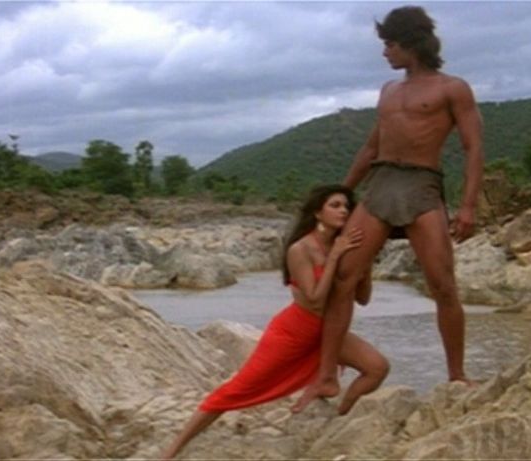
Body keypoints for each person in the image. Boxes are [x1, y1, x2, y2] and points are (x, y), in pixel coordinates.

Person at [291, 5, 484, 413]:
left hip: (422, 186)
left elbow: (473, 147)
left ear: (411, 43)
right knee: (344, 276)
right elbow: (370, 147)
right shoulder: (388, 91)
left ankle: (457, 374)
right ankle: (327, 375)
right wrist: (342, 193)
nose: (384, 52)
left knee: (442, 284)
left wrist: (467, 206)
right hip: (380, 185)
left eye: (390, 44)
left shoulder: (453, 89)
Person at [161, 185, 389, 459]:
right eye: (335, 205)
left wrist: (365, 265)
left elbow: (362, 298)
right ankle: (172, 451)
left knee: (377, 368)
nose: (344, 211)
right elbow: (315, 299)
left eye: (347, 207)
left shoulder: (344, 246)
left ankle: (338, 419)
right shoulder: (300, 249)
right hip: (295, 331)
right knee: (236, 390)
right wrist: (335, 258)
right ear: (318, 213)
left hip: (330, 331)